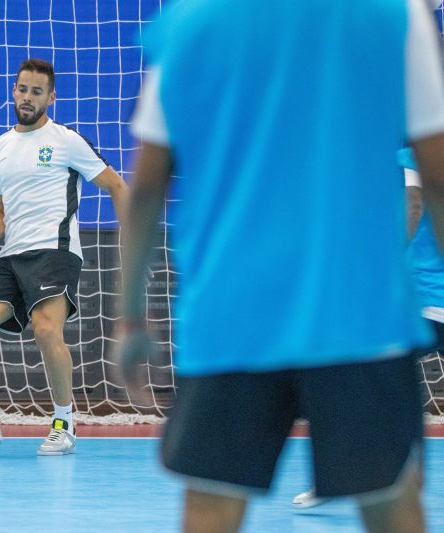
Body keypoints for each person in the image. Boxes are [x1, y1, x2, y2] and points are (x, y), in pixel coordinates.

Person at [115, 1, 444, 532]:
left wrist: (130, 317)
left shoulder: (194, 17)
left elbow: (149, 183)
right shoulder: (398, 15)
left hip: (231, 312)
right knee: (392, 503)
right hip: (360, 312)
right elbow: (438, 178)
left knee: (211, 510)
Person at [0, 58, 128, 455]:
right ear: (13, 92)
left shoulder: (66, 140)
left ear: (50, 97)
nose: (28, 97)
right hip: (12, 253)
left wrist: (131, 244)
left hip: (55, 250)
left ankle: (63, 424)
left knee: (46, 329)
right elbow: (0, 212)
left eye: (37, 92)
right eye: (23, 89)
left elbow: (117, 185)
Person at [293, 148, 444, 510]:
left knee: (352, 380)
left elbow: (412, 203)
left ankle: (335, 480)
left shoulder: (416, 143)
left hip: (422, 297)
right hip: (422, 296)